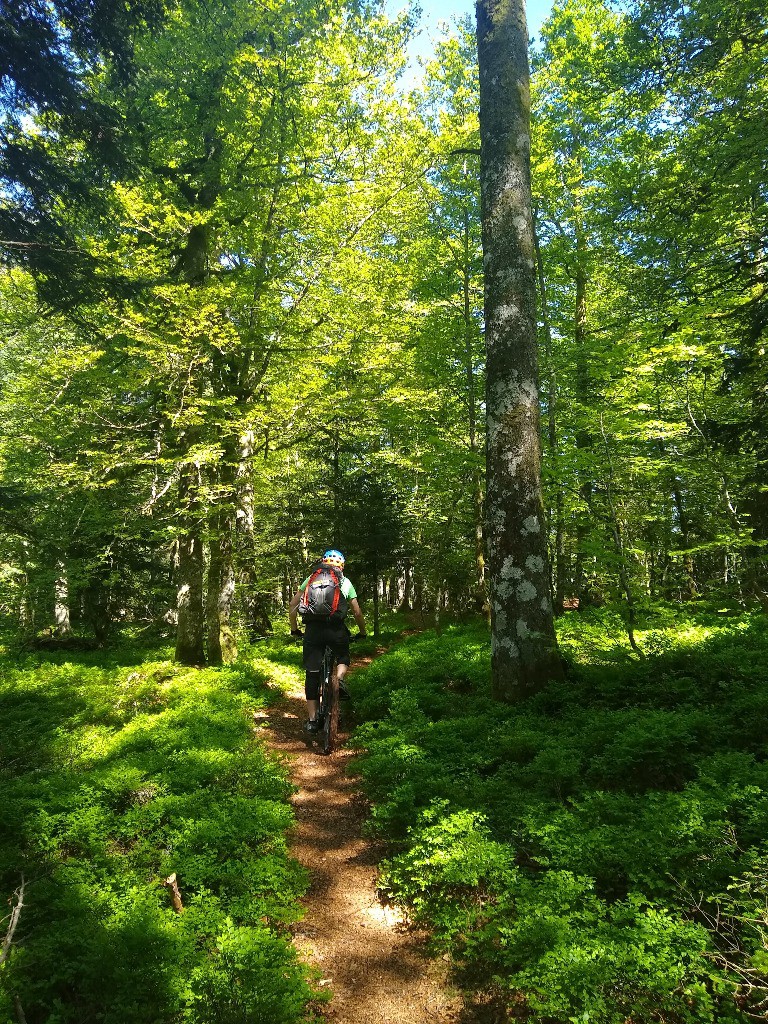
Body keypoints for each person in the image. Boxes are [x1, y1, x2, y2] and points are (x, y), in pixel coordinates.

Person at [288, 549, 367, 733]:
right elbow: (356, 611)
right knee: (342, 656)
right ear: (341, 566)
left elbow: (293, 605)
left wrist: (294, 629)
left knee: (312, 672)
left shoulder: (311, 578)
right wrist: (362, 632)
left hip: (312, 631)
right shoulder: (344, 581)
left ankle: (313, 720)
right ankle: (338, 680)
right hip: (335, 630)